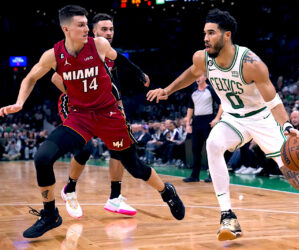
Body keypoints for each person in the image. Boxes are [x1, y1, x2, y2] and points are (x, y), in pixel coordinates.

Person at [147, 8, 299, 241]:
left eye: (211, 33)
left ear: (227, 35)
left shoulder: (251, 63)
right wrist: (167, 90)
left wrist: (288, 127)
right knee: (213, 144)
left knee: (296, 178)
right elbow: (192, 72)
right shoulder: (202, 58)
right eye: (205, 33)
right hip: (233, 118)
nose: (205, 38)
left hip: (262, 119)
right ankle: (227, 215)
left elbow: (273, 100)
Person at [0, 5, 184, 238]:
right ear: (66, 28)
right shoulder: (53, 55)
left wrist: (140, 74)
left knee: (135, 167)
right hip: (80, 116)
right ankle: (50, 215)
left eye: (87, 24)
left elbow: (121, 61)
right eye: (81, 25)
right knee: (42, 158)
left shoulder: (98, 45)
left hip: (109, 114)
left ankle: (166, 191)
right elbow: (30, 77)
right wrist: (19, 103)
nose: (87, 28)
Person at [52, 13, 149, 218]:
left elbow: (114, 86)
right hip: (76, 107)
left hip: (104, 108)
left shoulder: (108, 53)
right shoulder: (81, 47)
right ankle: (69, 189)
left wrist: (120, 110)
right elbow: (55, 77)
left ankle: (115, 198)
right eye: (104, 30)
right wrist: (77, 94)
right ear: (93, 32)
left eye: (111, 29)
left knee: (119, 145)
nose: (109, 33)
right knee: (85, 148)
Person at [183, 74, 222, 183]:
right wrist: (187, 124)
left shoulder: (211, 90)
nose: (197, 78)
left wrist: (217, 118)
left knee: (211, 149)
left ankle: (212, 175)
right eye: (196, 76)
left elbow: (221, 104)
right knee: (195, 149)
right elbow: (190, 108)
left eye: (199, 76)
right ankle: (195, 175)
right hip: (196, 122)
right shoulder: (193, 92)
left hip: (208, 121)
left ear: (205, 77)